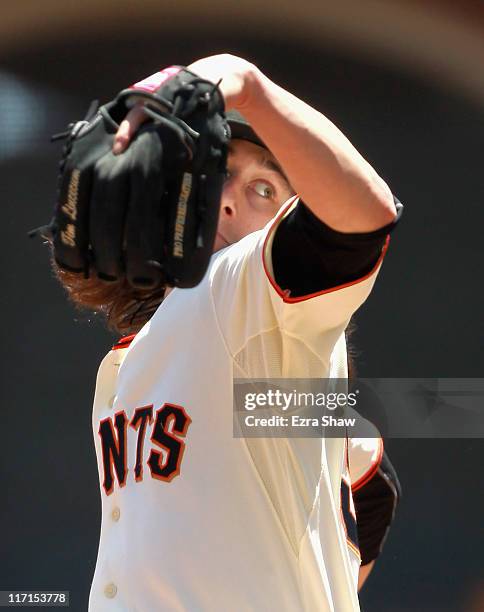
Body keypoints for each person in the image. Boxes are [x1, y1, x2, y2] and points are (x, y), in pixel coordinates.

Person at [55, 54, 402, 611]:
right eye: (218, 176)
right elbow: (369, 475)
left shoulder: (238, 291)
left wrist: (248, 85)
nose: (229, 196)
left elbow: (362, 219)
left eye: (265, 189)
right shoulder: (146, 357)